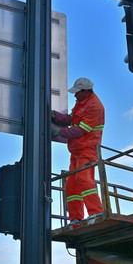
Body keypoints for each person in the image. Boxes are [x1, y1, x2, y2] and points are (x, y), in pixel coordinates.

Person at [51, 77, 105, 225]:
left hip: (87, 149)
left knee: (83, 180)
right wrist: (56, 116)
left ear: (86, 91)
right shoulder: (82, 102)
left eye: (77, 92)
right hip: (76, 151)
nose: (74, 95)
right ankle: (75, 218)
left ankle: (96, 212)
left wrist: (59, 132)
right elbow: (70, 119)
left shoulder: (95, 106)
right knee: (71, 185)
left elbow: (83, 129)